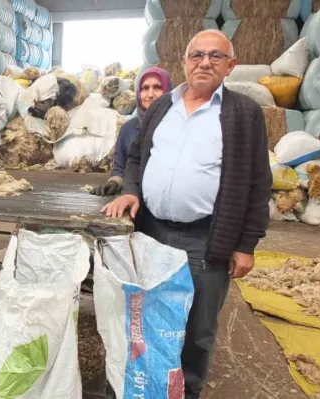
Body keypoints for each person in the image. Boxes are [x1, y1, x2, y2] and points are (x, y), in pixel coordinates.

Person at [102, 30, 271, 399]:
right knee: (146, 315)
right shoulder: (163, 107)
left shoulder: (244, 114)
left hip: (206, 238)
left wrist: (246, 245)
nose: (204, 62)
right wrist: (130, 190)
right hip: (153, 232)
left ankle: (187, 391)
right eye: (196, 55)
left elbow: (258, 183)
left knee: (197, 329)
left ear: (231, 65)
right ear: (184, 61)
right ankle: (146, 386)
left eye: (215, 56)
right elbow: (135, 158)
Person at [91, 67, 171, 196]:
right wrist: (113, 183)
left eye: (157, 87)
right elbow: (120, 168)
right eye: (145, 88)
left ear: (168, 91)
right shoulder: (128, 129)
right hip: (132, 198)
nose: (150, 95)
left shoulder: (176, 126)